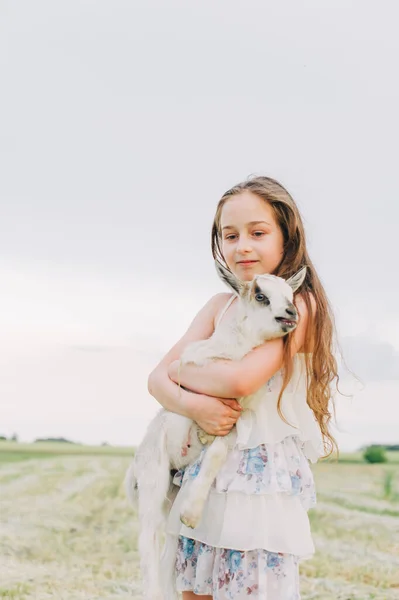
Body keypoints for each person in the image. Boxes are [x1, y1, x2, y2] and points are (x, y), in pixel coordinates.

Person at [147, 175, 339, 599]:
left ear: (288, 239)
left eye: (257, 233)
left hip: (258, 475)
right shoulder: (220, 307)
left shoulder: (296, 306)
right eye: (229, 235)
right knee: (196, 588)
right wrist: (194, 407)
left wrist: (183, 371)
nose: (242, 247)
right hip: (207, 472)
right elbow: (155, 379)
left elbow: (240, 379)